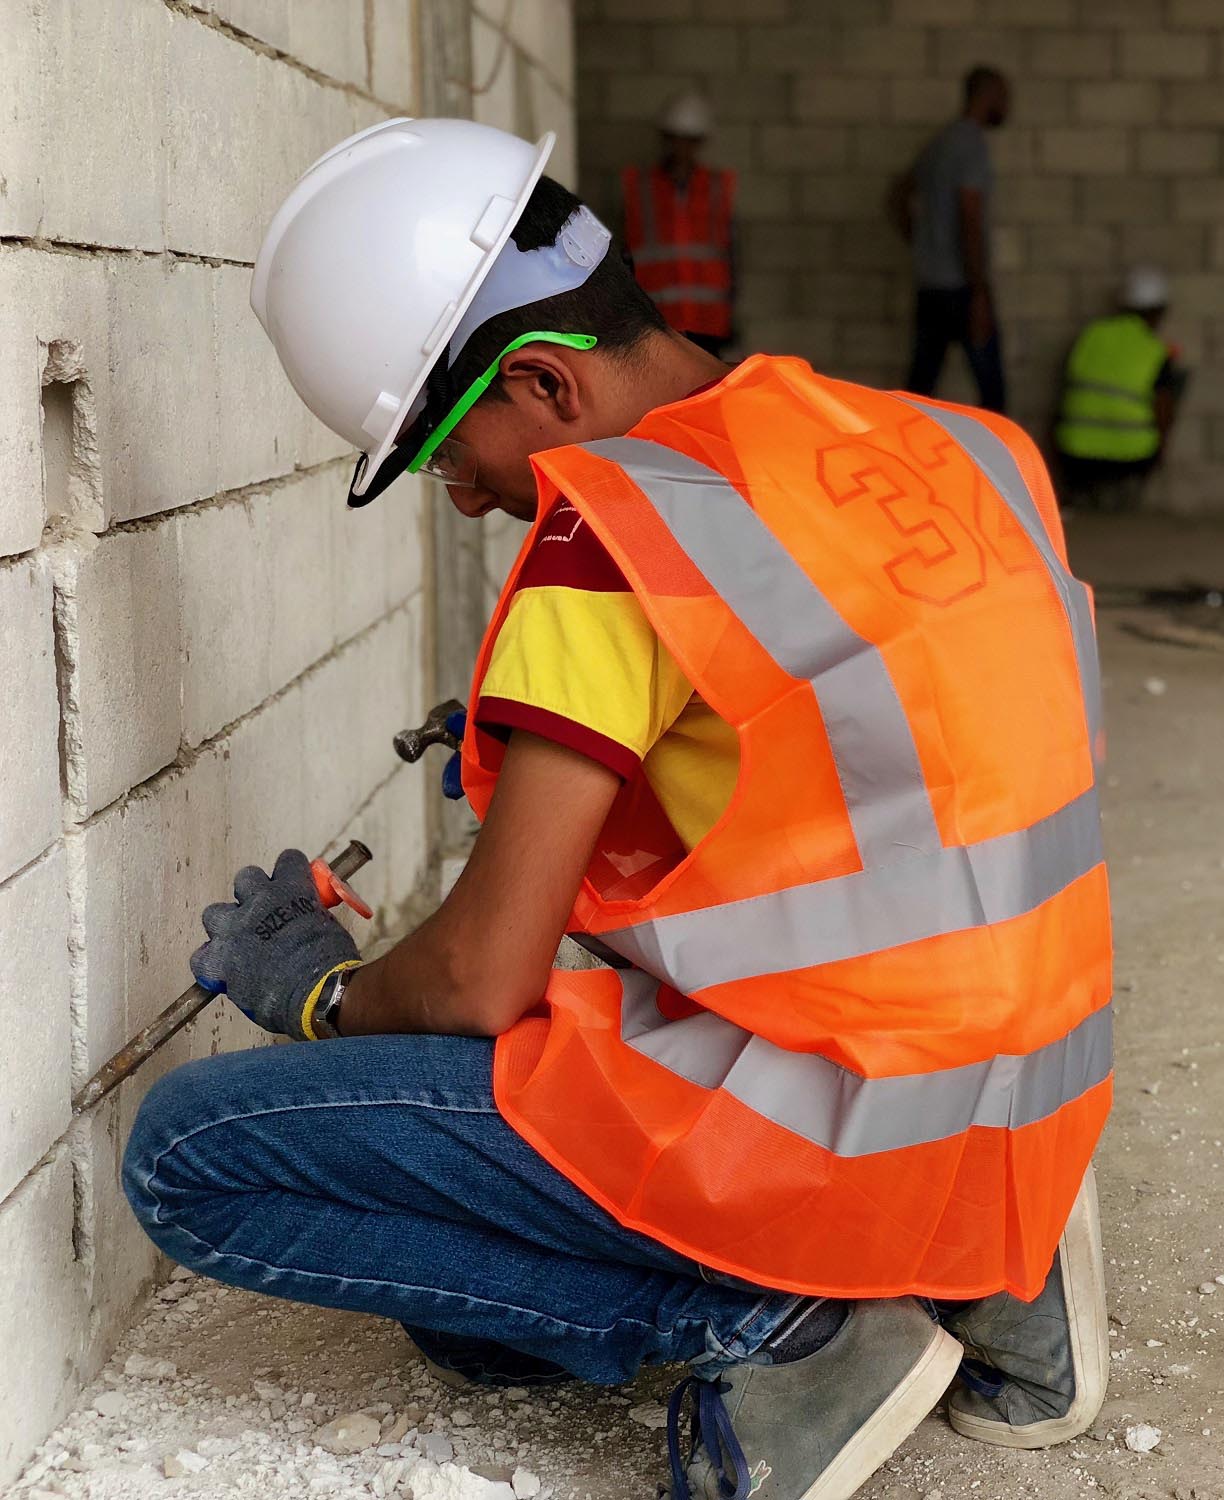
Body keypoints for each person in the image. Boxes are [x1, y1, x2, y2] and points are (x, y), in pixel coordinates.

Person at [124, 118, 1112, 1500]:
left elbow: (479, 981)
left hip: (839, 1124)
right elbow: (885, 769)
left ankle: (791, 1324)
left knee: (192, 1156)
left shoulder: (610, 538)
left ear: (540, 379)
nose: (463, 500)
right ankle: (995, 1273)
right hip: (1022, 1103)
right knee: (462, 1328)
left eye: (446, 454)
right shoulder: (954, 444)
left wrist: (327, 998)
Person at [889, 65, 1011, 412]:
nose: (1007, 106)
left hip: (930, 284)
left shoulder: (939, 142)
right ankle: (997, 466)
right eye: (1003, 97)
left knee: (918, 392)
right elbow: (969, 218)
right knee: (993, 395)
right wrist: (979, 292)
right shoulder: (971, 144)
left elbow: (897, 196)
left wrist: (923, 242)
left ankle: (906, 462)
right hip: (961, 289)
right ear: (987, 96)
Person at [1053, 267, 1187, 510]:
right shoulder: (1155, 350)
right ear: (1159, 312)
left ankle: (1075, 498)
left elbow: (1066, 393)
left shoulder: (1091, 336)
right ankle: (1126, 501)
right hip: (1131, 454)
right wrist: (1163, 449)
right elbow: (1164, 407)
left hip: (1075, 453)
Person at [620, 92, 735, 356]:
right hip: (658, 319)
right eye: (676, 139)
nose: (682, 148)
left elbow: (731, 255)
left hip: (708, 322)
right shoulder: (639, 187)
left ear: (699, 143)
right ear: (666, 140)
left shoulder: (717, 186)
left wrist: (731, 317)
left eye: (689, 141)